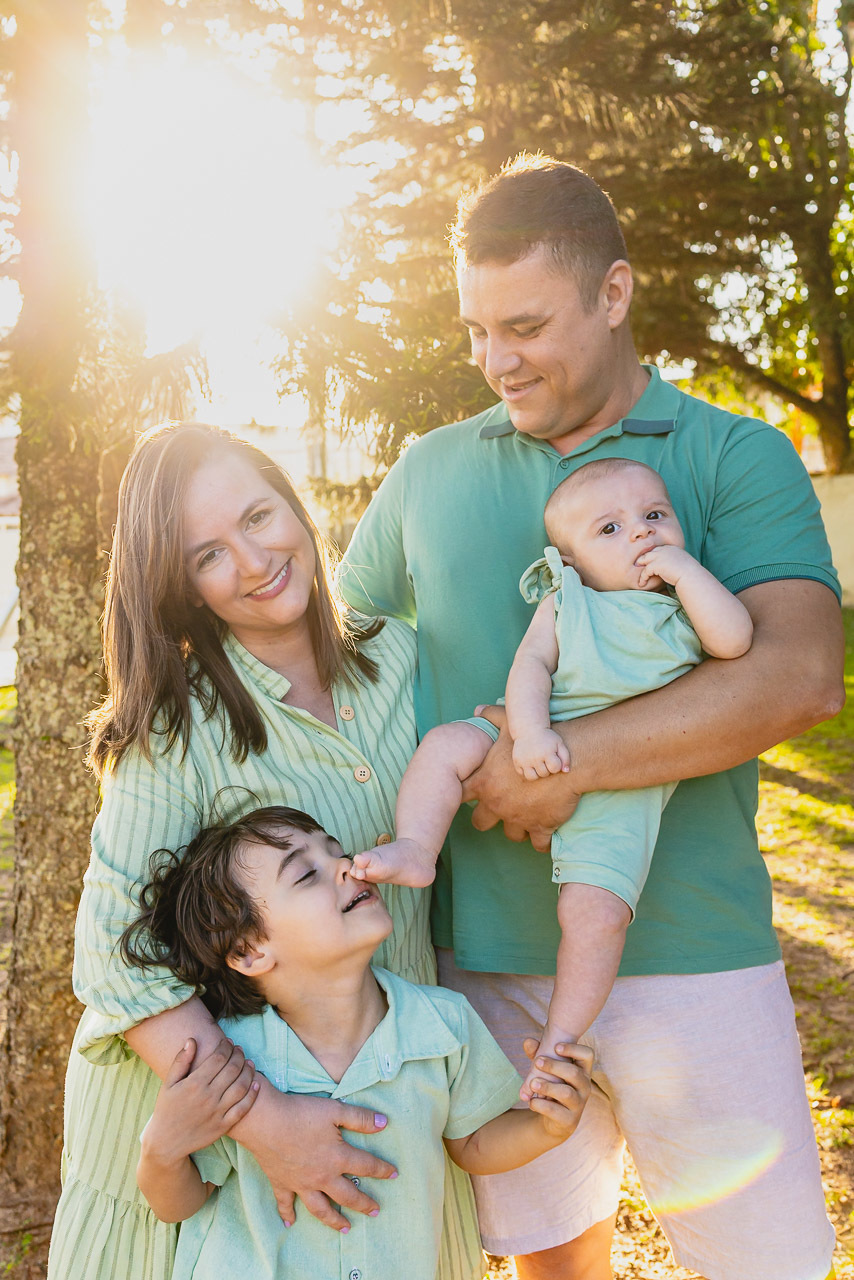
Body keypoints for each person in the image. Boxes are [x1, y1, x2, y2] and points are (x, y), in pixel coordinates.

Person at [337, 154, 844, 1280]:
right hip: (487, 965)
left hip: (694, 952)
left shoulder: (731, 454)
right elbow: (333, 660)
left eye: (522, 324)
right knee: (552, 1267)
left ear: (612, 294)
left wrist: (559, 772)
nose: (493, 360)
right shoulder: (425, 471)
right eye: (473, 330)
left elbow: (797, 676)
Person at [47, 423, 486, 1280]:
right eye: (209, 554)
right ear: (183, 590)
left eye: (257, 516)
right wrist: (266, 1121)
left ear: (292, 500)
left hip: (387, 1098)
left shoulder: (404, 657)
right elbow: (111, 956)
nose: (252, 562)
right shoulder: (176, 727)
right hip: (210, 1144)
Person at [352, 458, 753, 1102]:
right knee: (446, 744)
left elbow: (735, 641)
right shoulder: (567, 604)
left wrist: (686, 572)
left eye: (655, 517)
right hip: (532, 739)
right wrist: (532, 735)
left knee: (594, 916)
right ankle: (415, 849)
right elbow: (532, 669)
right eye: (610, 529)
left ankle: (562, 1040)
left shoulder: (682, 611)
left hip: (625, 793)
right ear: (571, 561)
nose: (642, 535)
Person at [121, 804, 593, 1280]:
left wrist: (545, 1128)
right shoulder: (227, 1060)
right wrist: (160, 1151)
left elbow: (471, 1143)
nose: (349, 865)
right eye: (307, 874)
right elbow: (180, 1203)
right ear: (248, 950)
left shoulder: (443, 1024)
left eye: (339, 852)